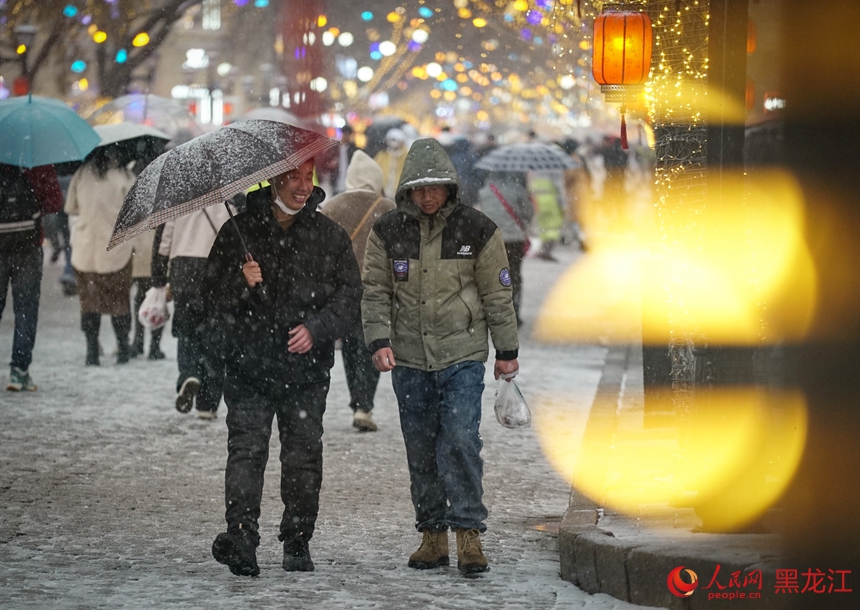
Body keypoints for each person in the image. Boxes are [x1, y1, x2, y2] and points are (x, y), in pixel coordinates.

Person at [361, 138, 520, 576]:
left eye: (435, 188)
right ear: (407, 191)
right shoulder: (387, 231)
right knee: (421, 449)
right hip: (409, 358)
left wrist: (507, 351)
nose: (427, 196)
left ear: (450, 188)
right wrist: (378, 340)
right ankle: (432, 534)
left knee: (461, 440)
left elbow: (497, 294)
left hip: (462, 356)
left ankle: (468, 534)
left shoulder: (477, 230)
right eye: (419, 188)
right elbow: (374, 290)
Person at [205, 158, 361, 577]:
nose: (302, 186)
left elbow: (349, 297)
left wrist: (317, 328)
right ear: (273, 180)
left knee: (303, 457)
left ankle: (297, 540)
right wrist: (242, 282)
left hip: (305, 372)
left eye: (307, 177)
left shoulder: (329, 235)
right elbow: (209, 299)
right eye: (293, 177)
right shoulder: (239, 231)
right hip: (248, 367)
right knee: (246, 452)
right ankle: (240, 536)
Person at [321, 151, 396, 432]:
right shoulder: (388, 207)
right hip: (376, 289)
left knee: (350, 348)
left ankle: (357, 401)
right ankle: (364, 405)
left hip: (341, 290)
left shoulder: (332, 206)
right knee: (370, 344)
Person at [152, 205, 231, 419]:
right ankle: (208, 404)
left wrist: (158, 277)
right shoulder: (230, 196)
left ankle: (189, 374)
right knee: (215, 338)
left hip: (184, 270)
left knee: (187, 332)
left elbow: (163, 241)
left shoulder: (177, 201)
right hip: (218, 270)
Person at [65, 147, 137, 366]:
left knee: (89, 303)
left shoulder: (81, 174)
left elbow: (71, 208)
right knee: (120, 302)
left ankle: (92, 351)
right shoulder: (125, 176)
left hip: (85, 251)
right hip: (117, 251)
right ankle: (123, 349)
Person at [1, 163, 63, 391]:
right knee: (25, 309)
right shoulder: (37, 160)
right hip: (28, 246)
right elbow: (55, 203)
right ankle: (19, 371)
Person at [477, 171, 534, 324]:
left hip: (491, 240)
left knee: (493, 277)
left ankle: (494, 312)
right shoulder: (517, 189)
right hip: (514, 240)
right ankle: (514, 312)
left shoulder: (484, 192)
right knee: (514, 276)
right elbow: (529, 212)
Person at [129, 229, 165, 360]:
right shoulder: (166, 208)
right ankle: (154, 346)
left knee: (140, 298)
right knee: (157, 302)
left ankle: (138, 340)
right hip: (157, 255)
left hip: (138, 252)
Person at [373, 128, 408, 198]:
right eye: (391, 140)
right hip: (383, 191)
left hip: (399, 192)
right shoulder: (382, 155)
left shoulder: (406, 156)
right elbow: (374, 170)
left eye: (395, 140)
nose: (393, 143)